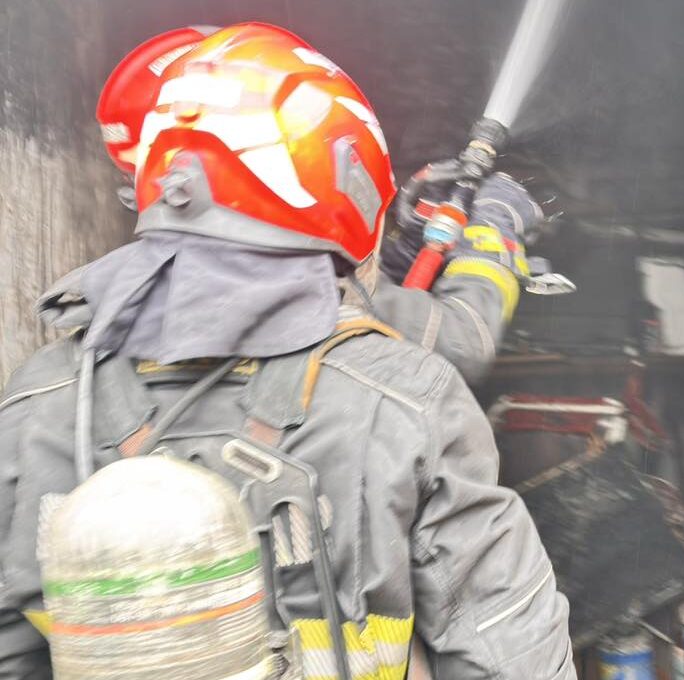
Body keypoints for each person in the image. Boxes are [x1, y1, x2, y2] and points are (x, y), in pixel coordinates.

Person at [0, 22, 575, 679]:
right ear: (340, 175)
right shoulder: (404, 396)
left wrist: (397, 253)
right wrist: (495, 231)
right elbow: (511, 654)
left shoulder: (36, 401)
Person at [94, 27, 544, 385]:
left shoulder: (111, 299)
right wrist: (492, 235)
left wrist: (399, 256)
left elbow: (366, 303)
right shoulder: (303, 291)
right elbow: (465, 342)